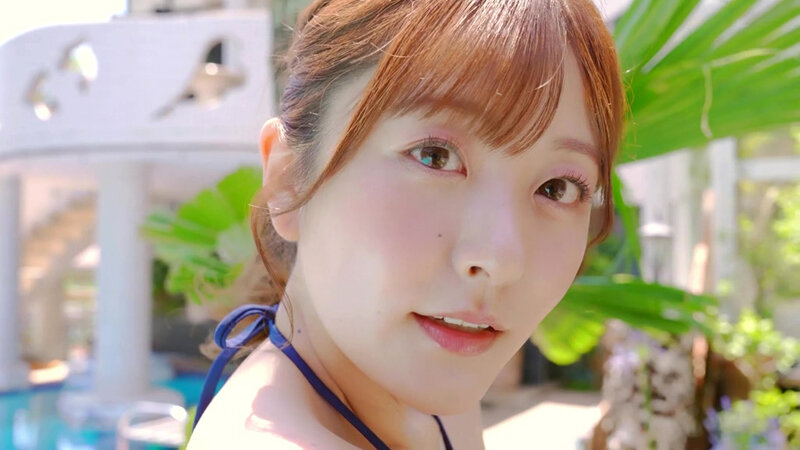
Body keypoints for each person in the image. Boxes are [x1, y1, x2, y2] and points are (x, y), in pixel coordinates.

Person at [188, 0, 624, 448]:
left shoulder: (426, 400)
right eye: (435, 156)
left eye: (557, 187)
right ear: (288, 177)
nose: (501, 258)